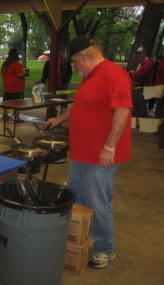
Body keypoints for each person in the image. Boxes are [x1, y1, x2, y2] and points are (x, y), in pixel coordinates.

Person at [45, 37, 132, 269]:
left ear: (83, 56)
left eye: (75, 62)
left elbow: (122, 111)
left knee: (98, 202)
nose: (75, 67)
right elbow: (81, 106)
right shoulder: (89, 77)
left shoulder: (113, 75)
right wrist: (59, 118)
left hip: (100, 156)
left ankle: (105, 249)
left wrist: (109, 147)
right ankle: (84, 238)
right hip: (81, 154)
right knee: (77, 198)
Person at [0, 48, 28, 123]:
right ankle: (17, 117)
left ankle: (5, 115)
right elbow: (19, 74)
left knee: (6, 102)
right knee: (18, 103)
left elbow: (2, 75)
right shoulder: (16, 64)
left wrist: (5, 83)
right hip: (17, 88)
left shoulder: (5, 64)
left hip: (7, 87)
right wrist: (25, 73)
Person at [129, 47, 153, 118]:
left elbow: (143, 73)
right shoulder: (141, 62)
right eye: (138, 53)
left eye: (140, 53)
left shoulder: (147, 63)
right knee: (135, 102)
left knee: (142, 103)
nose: (138, 55)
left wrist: (134, 73)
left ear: (144, 53)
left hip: (144, 86)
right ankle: (132, 118)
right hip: (139, 85)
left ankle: (144, 119)